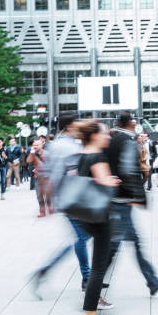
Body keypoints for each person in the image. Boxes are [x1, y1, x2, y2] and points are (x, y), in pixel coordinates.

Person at [33, 114, 105, 298]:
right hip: (73, 197)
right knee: (81, 238)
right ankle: (84, 278)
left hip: (64, 197)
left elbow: (48, 173)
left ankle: (85, 277)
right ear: (71, 126)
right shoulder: (71, 147)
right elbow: (77, 171)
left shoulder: (54, 145)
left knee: (81, 237)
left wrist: (49, 201)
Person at [107, 112, 158, 298]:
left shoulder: (110, 138)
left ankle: (92, 282)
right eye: (134, 122)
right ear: (129, 123)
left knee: (115, 246)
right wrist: (138, 196)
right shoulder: (127, 140)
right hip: (122, 200)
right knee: (131, 243)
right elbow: (129, 170)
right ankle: (154, 284)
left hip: (111, 197)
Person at [74, 120, 120, 315]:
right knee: (99, 267)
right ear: (94, 136)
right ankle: (91, 314)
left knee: (99, 264)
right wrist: (113, 181)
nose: (108, 137)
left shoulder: (83, 155)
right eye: (105, 134)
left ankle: (91, 310)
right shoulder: (98, 157)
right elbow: (105, 184)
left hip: (87, 215)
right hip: (100, 217)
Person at [26, 139, 51, 217]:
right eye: (34, 145)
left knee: (47, 194)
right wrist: (32, 152)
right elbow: (28, 161)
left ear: (42, 145)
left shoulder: (47, 154)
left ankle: (50, 206)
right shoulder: (33, 154)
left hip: (47, 177)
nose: (35, 146)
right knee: (39, 195)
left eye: (37, 145)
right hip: (38, 177)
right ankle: (42, 211)